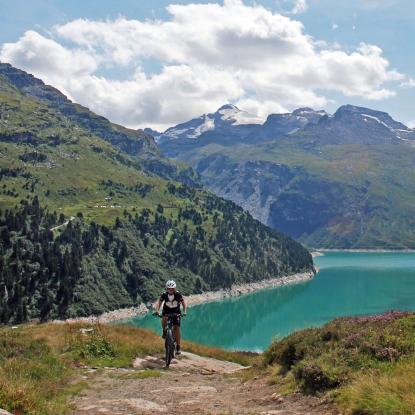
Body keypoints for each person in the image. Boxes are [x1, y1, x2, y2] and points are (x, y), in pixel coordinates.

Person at [154, 280, 187, 355]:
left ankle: (178, 346)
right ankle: (164, 331)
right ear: (166, 288)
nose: (170, 290)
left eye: (172, 288)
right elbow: (159, 303)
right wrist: (157, 311)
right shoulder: (164, 295)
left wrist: (185, 311)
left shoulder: (178, 294)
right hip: (167, 311)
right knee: (163, 319)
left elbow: (183, 303)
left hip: (176, 312)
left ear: (174, 288)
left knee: (177, 328)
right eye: (169, 288)